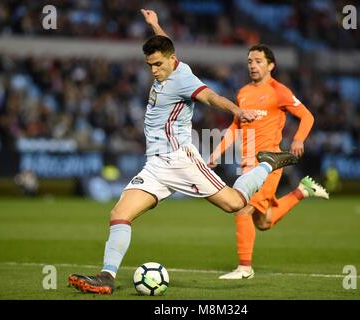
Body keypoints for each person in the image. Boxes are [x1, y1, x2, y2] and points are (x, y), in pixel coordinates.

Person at [67, 10, 298, 295]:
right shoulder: (168, 59)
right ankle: (107, 277)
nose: (153, 70)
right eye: (149, 65)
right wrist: (154, 24)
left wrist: (237, 110)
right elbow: (165, 43)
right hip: (154, 165)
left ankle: (268, 163)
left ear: (171, 60)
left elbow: (211, 97)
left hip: (180, 160)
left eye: (158, 65)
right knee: (119, 214)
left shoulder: (182, 79)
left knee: (236, 204)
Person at [209, 45, 330, 279]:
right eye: (249, 61)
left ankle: (245, 268)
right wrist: (217, 152)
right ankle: (302, 192)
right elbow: (235, 126)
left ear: (271, 65)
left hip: (268, 163)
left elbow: (307, 116)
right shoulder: (243, 92)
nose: (252, 65)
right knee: (263, 222)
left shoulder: (279, 91)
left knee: (242, 208)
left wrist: (298, 139)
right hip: (247, 164)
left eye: (258, 61)